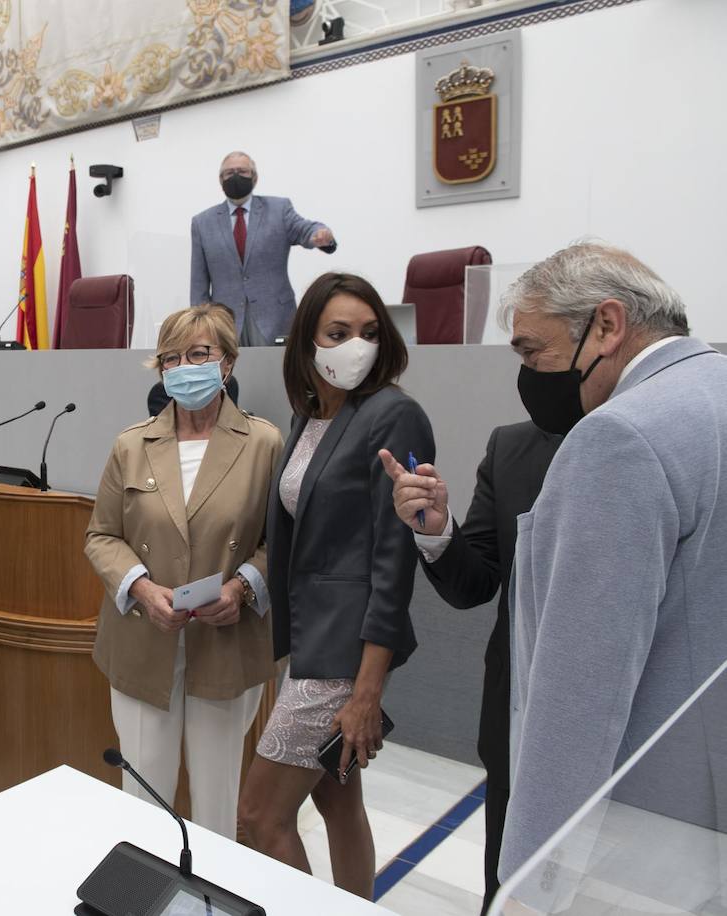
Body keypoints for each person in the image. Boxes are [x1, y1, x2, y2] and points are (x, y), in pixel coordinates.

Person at [494, 243, 727, 884]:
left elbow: (579, 694)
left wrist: (531, 875)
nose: (530, 372)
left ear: (607, 325)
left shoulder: (618, 437)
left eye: (530, 350)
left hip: (644, 834)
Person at [238, 272, 433, 899]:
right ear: (308, 342)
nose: (357, 345)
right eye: (339, 332)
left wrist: (367, 689)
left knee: (258, 819)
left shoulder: (393, 414)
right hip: (310, 640)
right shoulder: (313, 415)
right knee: (338, 803)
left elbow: (393, 561)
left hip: (344, 655)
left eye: (370, 333)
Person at [86, 304, 285, 839]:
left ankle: (208, 896)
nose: (184, 367)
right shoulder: (131, 445)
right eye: (171, 358)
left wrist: (244, 586)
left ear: (227, 363)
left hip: (225, 645)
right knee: (144, 798)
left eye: (199, 354)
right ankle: (144, 891)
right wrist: (141, 588)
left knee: (216, 801)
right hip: (142, 639)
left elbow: (282, 542)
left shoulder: (264, 443)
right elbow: (101, 535)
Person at [381, 421, 559, 910]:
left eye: (533, 350)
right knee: (505, 891)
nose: (526, 363)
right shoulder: (511, 447)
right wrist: (436, 529)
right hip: (515, 718)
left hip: (635, 741)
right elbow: (474, 583)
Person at [190, 150, 336, 345]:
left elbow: (305, 228)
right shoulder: (202, 223)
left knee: (276, 373)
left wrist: (320, 234)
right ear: (220, 179)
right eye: (229, 172)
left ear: (255, 177)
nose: (235, 176)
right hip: (225, 324)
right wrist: (199, 327)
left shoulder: (279, 209)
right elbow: (198, 282)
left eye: (242, 171)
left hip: (275, 318)